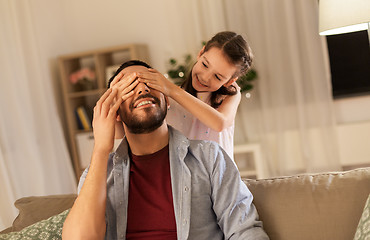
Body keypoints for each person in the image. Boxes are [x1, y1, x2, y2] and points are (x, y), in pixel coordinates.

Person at [62, 60, 269, 240]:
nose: (142, 89)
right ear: (114, 111)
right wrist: (101, 148)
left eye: (149, 82)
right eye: (129, 87)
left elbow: (244, 230)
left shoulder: (209, 158)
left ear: (167, 99)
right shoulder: (98, 175)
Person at [111, 31, 253, 158]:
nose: (205, 77)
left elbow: (220, 123)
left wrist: (171, 89)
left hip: (220, 179)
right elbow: (120, 133)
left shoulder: (230, 93)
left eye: (218, 77)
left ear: (230, 81)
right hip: (186, 181)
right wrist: (113, 97)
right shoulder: (169, 100)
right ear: (201, 53)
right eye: (204, 65)